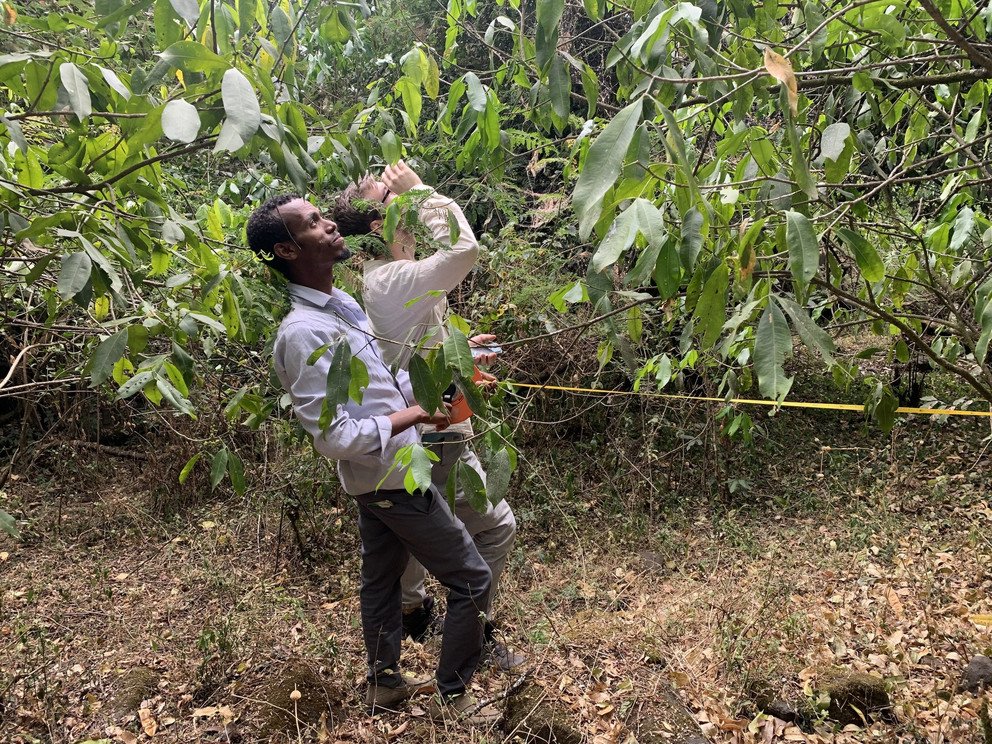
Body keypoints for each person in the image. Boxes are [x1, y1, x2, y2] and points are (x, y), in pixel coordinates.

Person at [245, 194, 498, 724]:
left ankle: (384, 684)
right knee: (473, 579)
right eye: (313, 222)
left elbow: (386, 383)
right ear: (288, 250)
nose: (330, 224)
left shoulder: (342, 305)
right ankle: (453, 696)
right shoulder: (303, 332)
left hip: (381, 475)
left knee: (381, 582)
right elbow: (334, 436)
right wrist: (418, 415)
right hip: (392, 478)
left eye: (323, 215)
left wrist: (454, 359)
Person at [332, 162, 523, 671]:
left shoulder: (389, 278)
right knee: (495, 526)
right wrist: (422, 190)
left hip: (423, 429)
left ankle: (414, 611)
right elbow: (463, 250)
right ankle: (473, 634)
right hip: (432, 433)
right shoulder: (392, 279)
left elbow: (415, 340)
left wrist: (460, 350)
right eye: (392, 198)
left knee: (418, 531)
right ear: (380, 226)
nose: (408, 205)